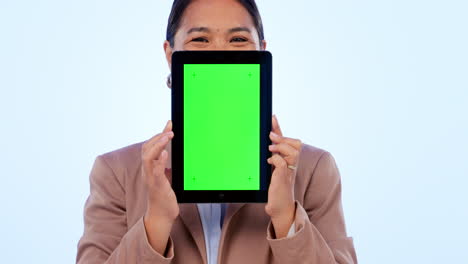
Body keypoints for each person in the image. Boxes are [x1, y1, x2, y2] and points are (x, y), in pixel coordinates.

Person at [76, 0, 357, 263]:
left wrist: (286, 216)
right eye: (200, 39)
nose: (219, 54)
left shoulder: (314, 169)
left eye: (238, 39)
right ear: (170, 55)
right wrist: (156, 222)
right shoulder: (116, 173)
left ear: (261, 51)